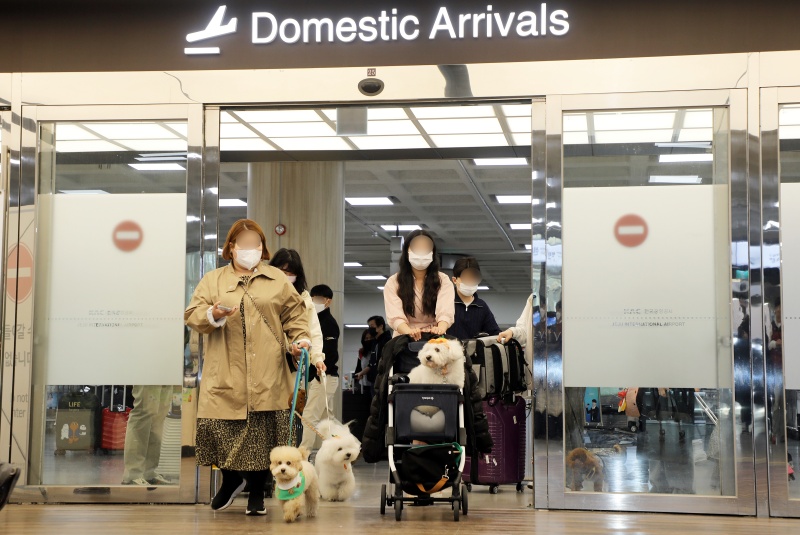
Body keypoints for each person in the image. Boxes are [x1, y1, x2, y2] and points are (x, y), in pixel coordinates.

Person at [185, 219, 317, 517]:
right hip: (226, 371)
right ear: (231, 247)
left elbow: (295, 315)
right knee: (225, 430)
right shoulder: (213, 280)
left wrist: (301, 340)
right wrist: (213, 313)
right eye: (244, 244)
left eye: (256, 244)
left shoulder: (277, 279)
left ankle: (257, 491)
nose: (251, 249)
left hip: (269, 371)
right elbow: (192, 314)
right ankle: (231, 479)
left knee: (264, 433)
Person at [383, 229, 455, 341]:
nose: (421, 252)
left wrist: (440, 328)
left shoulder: (443, 280)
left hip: (434, 338)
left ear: (432, 252)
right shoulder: (393, 282)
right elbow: (395, 316)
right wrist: (409, 332)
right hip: (403, 339)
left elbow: (446, 312)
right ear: (407, 251)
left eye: (425, 248)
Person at [300, 284, 340, 451]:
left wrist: (319, 373)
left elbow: (330, 354)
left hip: (324, 376)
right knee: (327, 419)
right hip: (318, 377)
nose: (314, 301)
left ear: (328, 301)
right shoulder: (313, 321)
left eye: (318, 299)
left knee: (309, 417)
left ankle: (303, 454)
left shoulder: (329, 323)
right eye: (313, 298)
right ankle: (344, 447)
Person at [121, 385, 173, 486]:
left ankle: (149, 473)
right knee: (144, 411)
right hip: (149, 370)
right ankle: (133, 474)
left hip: (167, 370)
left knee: (159, 414)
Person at [446, 257, 501, 340]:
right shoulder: (445, 303)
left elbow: (494, 332)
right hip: (449, 351)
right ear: (454, 280)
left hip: (474, 351)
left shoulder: (481, 306)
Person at [354, 329, 375, 399]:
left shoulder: (378, 351)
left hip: (375, 384)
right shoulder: (361, 352)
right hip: (364, 384)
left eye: (371, 338)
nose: (369, 340)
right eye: (366, 338)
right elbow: (358, 368)